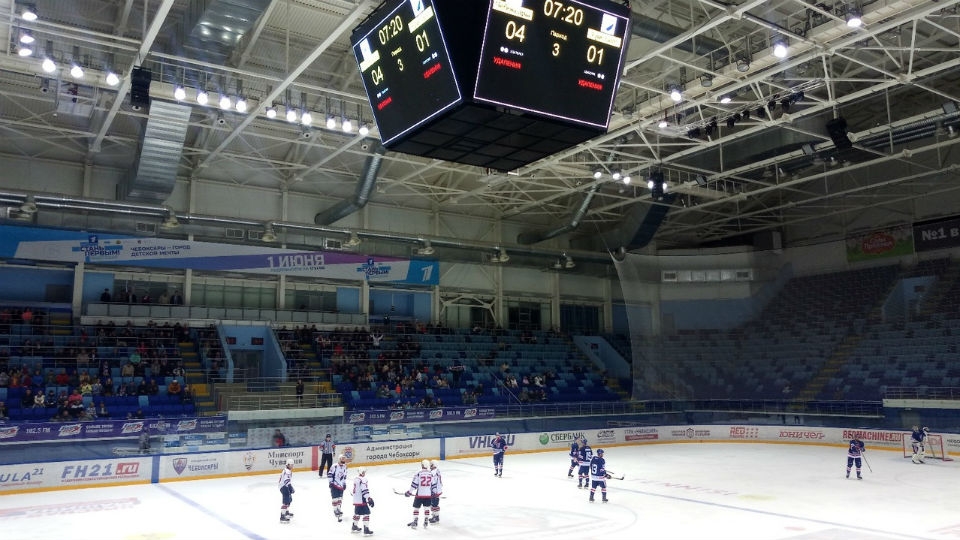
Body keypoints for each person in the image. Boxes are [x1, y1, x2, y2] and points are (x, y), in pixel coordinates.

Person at [405, 459, 434, 528]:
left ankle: (415, 521)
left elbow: (414, 484)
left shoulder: (418, 473)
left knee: (416, 508)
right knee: (426, 508)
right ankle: (426, 521)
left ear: (422, 465)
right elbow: (433, 485)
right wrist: (433, 493)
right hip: (428, 494)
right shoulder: (431, 474)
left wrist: (409, 492)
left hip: (420, 494)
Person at [350, 466, 374, 535]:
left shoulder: (356, 479)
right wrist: (369, 498)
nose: (364, 473)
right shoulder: (363, 479)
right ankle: (366, 529)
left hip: (356, 499)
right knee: (366, 513)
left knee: (357, 513)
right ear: (362, 472)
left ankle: (354, 526)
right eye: (364, 472)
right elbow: (364, 490)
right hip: (361, 499)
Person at [328, 454, 349, 522]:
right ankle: (335, 510)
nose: (344, 460)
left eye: (344, 459)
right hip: (334, 485)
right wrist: (331, 482)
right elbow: (330, 474)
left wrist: (344, 483)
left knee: (340, 498)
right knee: (335, 498)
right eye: (342, 459)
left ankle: (339, 509)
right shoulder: (334, 466)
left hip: (341, 485)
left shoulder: (345, 467)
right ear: (339, 459)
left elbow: (344, 476)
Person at [429, 459, 443, 524]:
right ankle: (434, 516)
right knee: (433, 503)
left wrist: (433, 492)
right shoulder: (437, 470)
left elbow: (433, 483)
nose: (430, 465)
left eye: (431, 464)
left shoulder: (433, 472)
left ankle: (436, 518)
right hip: (437, 490)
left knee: (434, 504)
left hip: (435, 491)